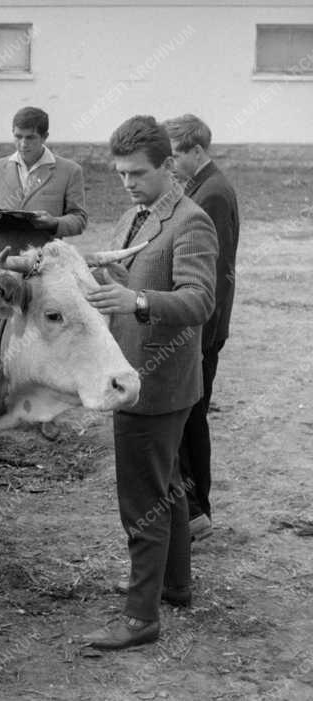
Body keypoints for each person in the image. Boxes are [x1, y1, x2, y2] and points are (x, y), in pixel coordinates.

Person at [81, 115, 217, 649]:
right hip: (147, 375)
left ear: (169, 166)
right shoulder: (136, 216)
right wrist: (110, 280)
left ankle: (140, 619)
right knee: (169, 488)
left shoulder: (191, 221)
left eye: (137, 173)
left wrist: (135, 301)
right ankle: (174, 587)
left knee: (142, 503)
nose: (128, 182)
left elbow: (199, 300)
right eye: (120, 174)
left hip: (155, 384)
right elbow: (129, 275)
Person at [164, 114, 239, 542]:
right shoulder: (203, 186)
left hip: (202, 329)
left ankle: (195, 513)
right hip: (202, 327)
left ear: (197, 150)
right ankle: (194, 513)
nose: (170, 163)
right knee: (190, 418)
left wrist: (197, 333)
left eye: (175, 154)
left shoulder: (211, 194)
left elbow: (211, 272)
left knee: (190, 419)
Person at [0, 106, 88, 257]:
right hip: (2, 260)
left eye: (30, 137)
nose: (23, 144)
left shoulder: (70, 171)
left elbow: (79, 219)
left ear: (45, 137)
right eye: (18, 137)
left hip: (46, 264)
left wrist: (55, 223)